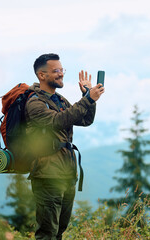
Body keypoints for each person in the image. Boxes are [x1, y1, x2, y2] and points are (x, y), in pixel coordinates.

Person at [25, 53, 104, 239]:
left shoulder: (58, 99)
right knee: (47, 233)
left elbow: (85, 120)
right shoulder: (34, 102)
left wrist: (86, 95)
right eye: (56, 71)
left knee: (59, 230)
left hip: (67, 174)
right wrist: (88, 99)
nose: (61, 74)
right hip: (47, 175)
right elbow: (59, 120)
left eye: (62, 70)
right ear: (41, 75)